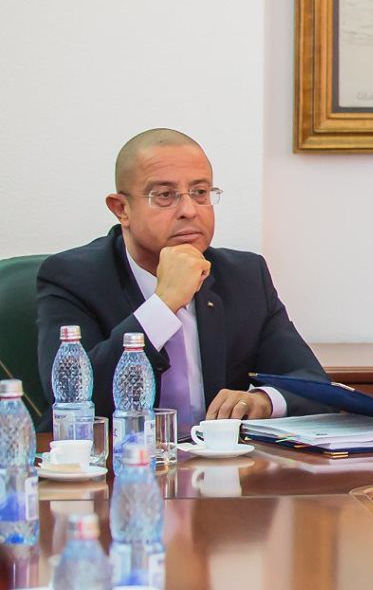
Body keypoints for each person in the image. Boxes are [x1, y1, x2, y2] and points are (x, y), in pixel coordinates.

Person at [35, 129, 325, 428]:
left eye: (200, 192)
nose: (189, 210)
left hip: (213, 456)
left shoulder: (245, 276)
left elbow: (313, 385)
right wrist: (163, 304)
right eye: (165, 195)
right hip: (116, 453)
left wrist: (263, 400)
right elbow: (73, 399)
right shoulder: (72, 277)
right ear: (122, 209)